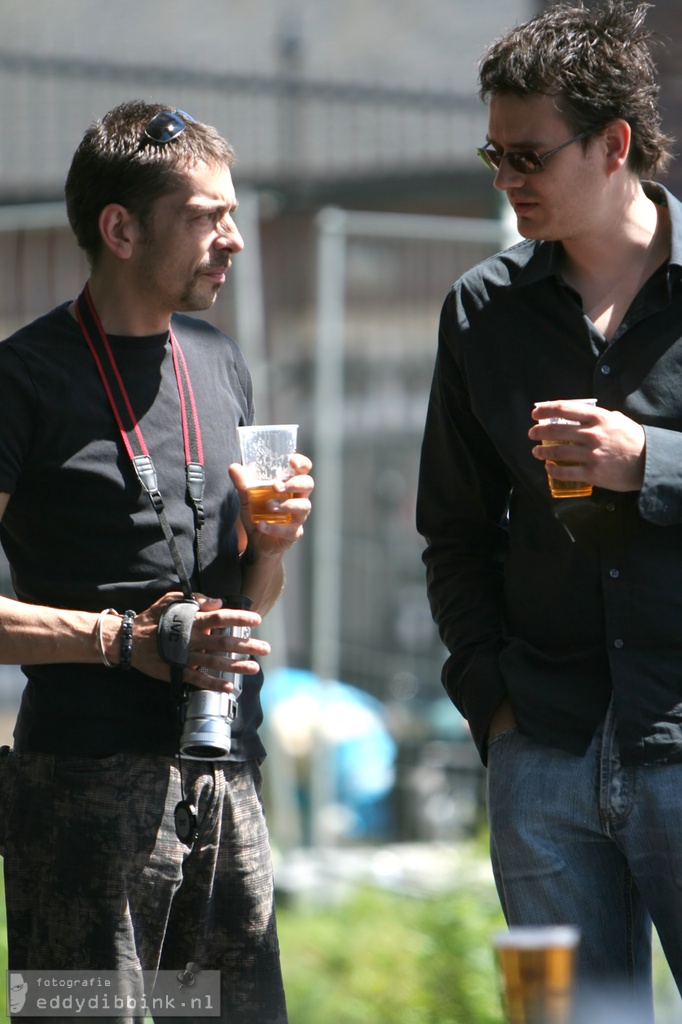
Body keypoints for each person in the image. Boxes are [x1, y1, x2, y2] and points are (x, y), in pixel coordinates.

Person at [0, 100, 313, 1023]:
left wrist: (274, 547)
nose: (235, 240)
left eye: (234, 213)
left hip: (223, 783)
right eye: (207, 217)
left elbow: (250, 602)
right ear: (121, 228)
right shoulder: (22, 381)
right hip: (81, 804)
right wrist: (117, 639)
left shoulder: (218, 359)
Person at [416, 0, 682, 1016]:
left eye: (528, 156)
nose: (506, 181)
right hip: (544, 752)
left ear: (613, 144)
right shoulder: (479, 309)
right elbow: (452, 528)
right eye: (493, 156)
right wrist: (494, 703)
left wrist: (645, 461)